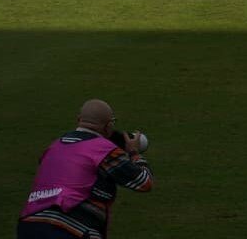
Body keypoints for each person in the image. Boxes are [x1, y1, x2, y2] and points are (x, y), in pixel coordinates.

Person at [18, 99, 154, 239]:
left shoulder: (54, 147)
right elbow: (144, 182)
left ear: (79, 120)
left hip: (28, 225)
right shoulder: (104, 150)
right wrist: (134, 153)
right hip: (72, 227)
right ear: (108, 126)